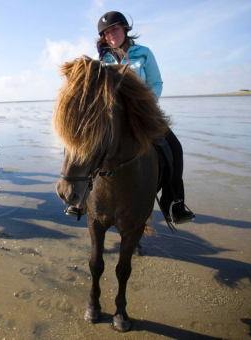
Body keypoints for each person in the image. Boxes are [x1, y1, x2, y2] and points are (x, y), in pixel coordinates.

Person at [97, 11, 194, 224]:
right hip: (114, 116)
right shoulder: (102, 59)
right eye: (106, 33)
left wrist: (146, 105)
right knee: (86, 146)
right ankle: (79, 198)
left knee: (174, 148)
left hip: (144, 113)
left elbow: (156, 82)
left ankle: (174, 203)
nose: (111, 34)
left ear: (124, 28)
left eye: (114, 29)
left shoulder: (144, 53)